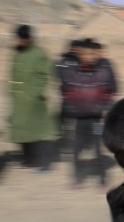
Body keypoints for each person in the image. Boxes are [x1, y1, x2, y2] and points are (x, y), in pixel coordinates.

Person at [59, 39, 117, 188]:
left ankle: (102, 181)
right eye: (84, 53)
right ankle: (77, 179)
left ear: (96, 55)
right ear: (79, 54)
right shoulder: (72, 72)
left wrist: (105, 109)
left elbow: (109, 93)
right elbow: (66, 91)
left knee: (97, 150)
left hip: (96, 119)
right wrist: (70, 107)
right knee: (76, 150)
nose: (88, 56)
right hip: (79, 119)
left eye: (91, 53)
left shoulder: (102, 72)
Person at [8, 24, 59, 171]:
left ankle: (43, 162)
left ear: (29, 38)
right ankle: (29, 159)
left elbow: (43, 76)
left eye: (23, 38)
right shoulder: (17, 52)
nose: (20, 41)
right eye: (18, 38)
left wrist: (32, 93)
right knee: (21, 131)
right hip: (18, 99)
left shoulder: (39, 53)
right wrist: (12, 90)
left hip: (33, 101)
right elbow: (13, 73)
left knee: (37, 133)